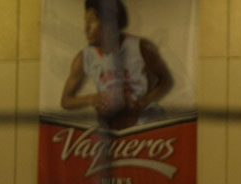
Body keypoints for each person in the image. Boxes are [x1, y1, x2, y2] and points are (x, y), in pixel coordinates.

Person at [61, 0, 174, 131]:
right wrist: (92, 99)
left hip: (145, 122)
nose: (86, 28)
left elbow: (166, 81)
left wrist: (143, 102)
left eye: (91, 21)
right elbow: (66, 101)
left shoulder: (142, 48)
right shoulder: (84, 57)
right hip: (112, 126)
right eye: (86, 22)